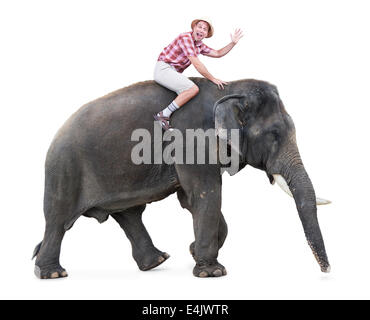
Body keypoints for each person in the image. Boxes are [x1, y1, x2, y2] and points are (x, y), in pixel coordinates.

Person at [153, 18, 243, 130]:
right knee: (192, 89)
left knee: (188, 94)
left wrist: (233, 43)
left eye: (205, 29)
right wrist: (213, 78)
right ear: (194, 28)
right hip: (164, 69)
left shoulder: (199, 45)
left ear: (206, 34)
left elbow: (218, 53)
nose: (201, 30)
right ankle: (163, 115)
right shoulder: (185, 38)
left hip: (173, 72)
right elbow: (197, 64)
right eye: (199, 27)